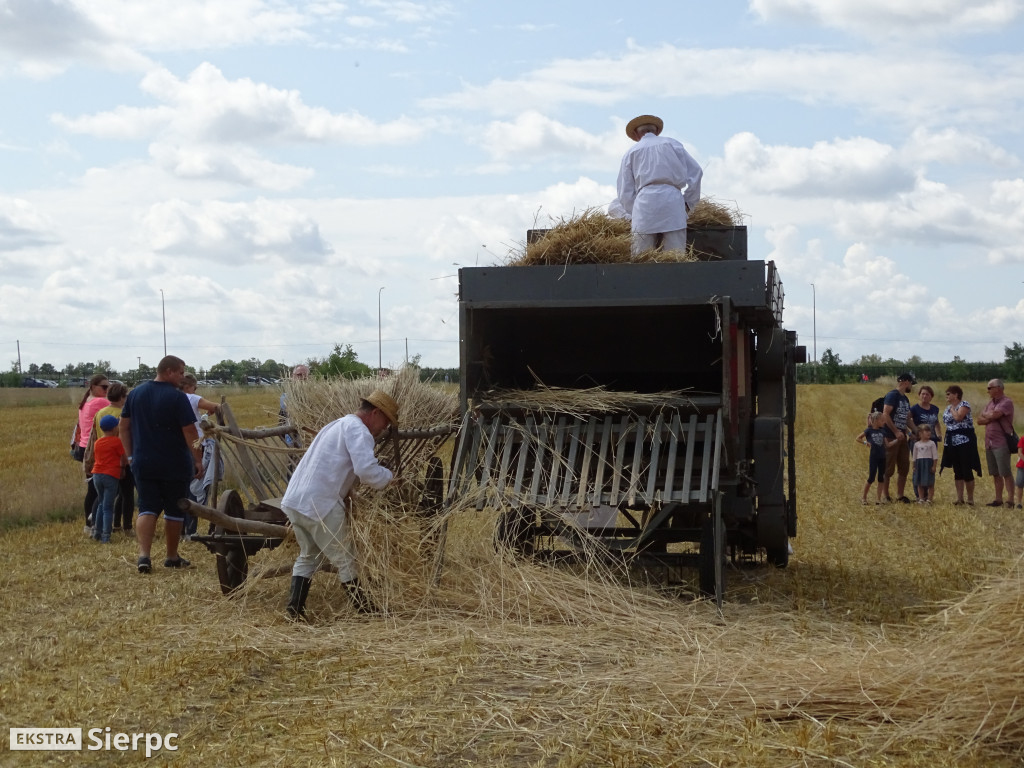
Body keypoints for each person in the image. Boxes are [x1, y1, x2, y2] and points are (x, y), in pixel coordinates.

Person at [281, 390, 399, 619]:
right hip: (320, 503)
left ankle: (293, 611)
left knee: (309, 555)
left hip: (296, 500)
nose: (383, 429)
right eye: (385, 422)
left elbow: (336, 466)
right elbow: (366, 471)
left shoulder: (336, 425)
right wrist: (388, 477)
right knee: (347, 558)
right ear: (375, 413)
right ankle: (366, 611)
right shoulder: (359, 430)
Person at [119, 355, 203, 573]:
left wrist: (130, 456)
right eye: (181, 372)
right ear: (169, 372)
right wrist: (197, 459)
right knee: (174, 510)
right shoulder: (177, 397)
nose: (183, 377)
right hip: (174, 463)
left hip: (143, 462)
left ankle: (144, 556)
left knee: (147, 507)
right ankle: (172, 556)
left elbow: (124, 428)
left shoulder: (135, 393)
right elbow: (189, 431)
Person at [616, 114, 702, 257]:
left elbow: (624, 192)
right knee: (675, 255)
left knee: (641, 257)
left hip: (644, 204)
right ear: (656, 131)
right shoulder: (673, 144)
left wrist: (634, 212)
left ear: (637, 134)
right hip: (673, 202)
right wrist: (688, 203)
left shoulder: (631, 152)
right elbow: (697, 172)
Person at [88, 382, 134, 534]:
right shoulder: (124, 414)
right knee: (127, 494)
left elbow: (94, 434)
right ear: (122, 397)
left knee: (104, 498)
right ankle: (126, 526)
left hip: (103, 459)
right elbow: (126, 436)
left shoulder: (100, 413)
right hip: (121, 459)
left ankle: (95, 523)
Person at [180, 373, 222, 537]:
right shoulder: (192, 398)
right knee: (194, 486)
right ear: (189, 387)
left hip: (178, 445)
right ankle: (191, 530)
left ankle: (181, 530)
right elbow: (217, 406)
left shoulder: (174, 398)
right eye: (195, 387)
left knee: (181, 487)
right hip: (195, 445)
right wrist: (210, 412)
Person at [75, 374, 110, 531]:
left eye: (108, 387)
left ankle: (89, 522)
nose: (107, 390)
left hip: (84, 448)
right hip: (96, 448)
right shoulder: (100, 401)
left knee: (92, 488)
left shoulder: (85, 402)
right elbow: (117, 407)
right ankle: (93, 520)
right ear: (93, 386)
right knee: (101, 488)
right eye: (104, 387)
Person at [975, 378, 1015, 508]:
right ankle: (998, 499)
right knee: (995, 473)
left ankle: (1010, 500)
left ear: (998, 388)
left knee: (1005, 472)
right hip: (989, 443)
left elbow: (994, 415)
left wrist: (988, 415)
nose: (988, 391)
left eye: (989, 388)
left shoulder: (1007, 402)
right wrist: (989, 415)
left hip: (1001, 442)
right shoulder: (990, 403)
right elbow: (979, 420)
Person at [940, 385, 982, 506]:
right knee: (957, 470)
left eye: (949, 394)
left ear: (956, 395)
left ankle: (970, 499)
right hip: (951, 441)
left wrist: (953, 409)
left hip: (965, 441)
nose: (947, 396)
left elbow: (959, 417)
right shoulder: (947, 407)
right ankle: (959, 498)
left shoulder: (964, 404)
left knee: (966, 469)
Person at [90, 414, 127, 543]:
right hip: (110, 475)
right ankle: (106, 536)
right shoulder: (117, 442)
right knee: (108, 507)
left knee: (101, 503)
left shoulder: (98, 442)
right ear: (114, 428)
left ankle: (96, 532)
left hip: (97, 475)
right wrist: (123, 468)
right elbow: (123, 458)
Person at [881, 372, 915, 503]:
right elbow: (885, 414)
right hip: (891, 437)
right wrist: (895, 432)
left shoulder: (905, 399)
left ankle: (900, 495)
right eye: (911, 383)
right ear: (906, 382)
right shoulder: (892, 395)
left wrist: (915, 431)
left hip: (902, 437)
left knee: (904, 467)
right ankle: (885, 496)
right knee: (888, 468)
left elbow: (906, 419)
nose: (911, 386)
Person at [909, 384, 941, 498]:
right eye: (922, 394)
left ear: (931, 396)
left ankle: (928, 494)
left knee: (930, 466)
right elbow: (907, 420)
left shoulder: (935, 409)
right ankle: (919, 494)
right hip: (918, 442)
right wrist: (914, 432)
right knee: (918, 466)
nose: (924, 396)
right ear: (919, 395)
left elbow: (936, 422)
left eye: (927, 394)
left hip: (932, 441)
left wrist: (939, 434)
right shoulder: (914, 409)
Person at [856, 411, 893, 504]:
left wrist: (897, 440)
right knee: (871, 478)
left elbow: (887, 444)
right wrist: (866, 443)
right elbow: (858, 438)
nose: (884, 422)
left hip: (882, 457)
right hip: (874, 457)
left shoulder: (883, 431)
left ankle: (878, 499)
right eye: (882, 420)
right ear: (876, 420)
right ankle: (864, 498)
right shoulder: (869, 430)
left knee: (881, 478)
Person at [280, 364, 310, 448]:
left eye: (305, 375)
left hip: (310, 439)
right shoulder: (286, 396)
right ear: (293, 377)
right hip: (292, 438)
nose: (302, 378)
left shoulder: (314, 395)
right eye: (299, 375)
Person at [912, 424, 939, 503]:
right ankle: (921, 498)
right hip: (919, 464)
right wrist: (913, 466)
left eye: (929, 431)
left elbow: (935, 456)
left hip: (928, 464)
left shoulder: (932, 443)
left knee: (930, 482)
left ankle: (929, 499)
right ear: (920, 433)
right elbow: (914, 456)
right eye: (926, 431)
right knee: (920, 482)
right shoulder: (916, 444)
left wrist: (934, 466)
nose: (929, 433)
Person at [1014, 433, 1024, 510]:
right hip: (1022, 465)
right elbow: (1019, 452)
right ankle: (1019, 502)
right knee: (1020, 483)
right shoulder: (1022, 439)